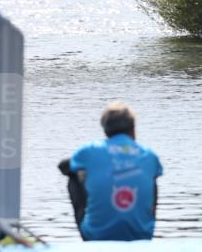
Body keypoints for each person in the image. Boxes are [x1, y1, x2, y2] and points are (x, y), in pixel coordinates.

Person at [58, 102, 163, 242]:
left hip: (95, 236)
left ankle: (91, 224)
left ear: (105, 130)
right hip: (142, 235)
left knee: (74, 175)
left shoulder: (89, 151)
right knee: (151, 176)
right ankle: (144, 224)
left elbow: (63, 166)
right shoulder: (149, 155)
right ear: (133, 129)